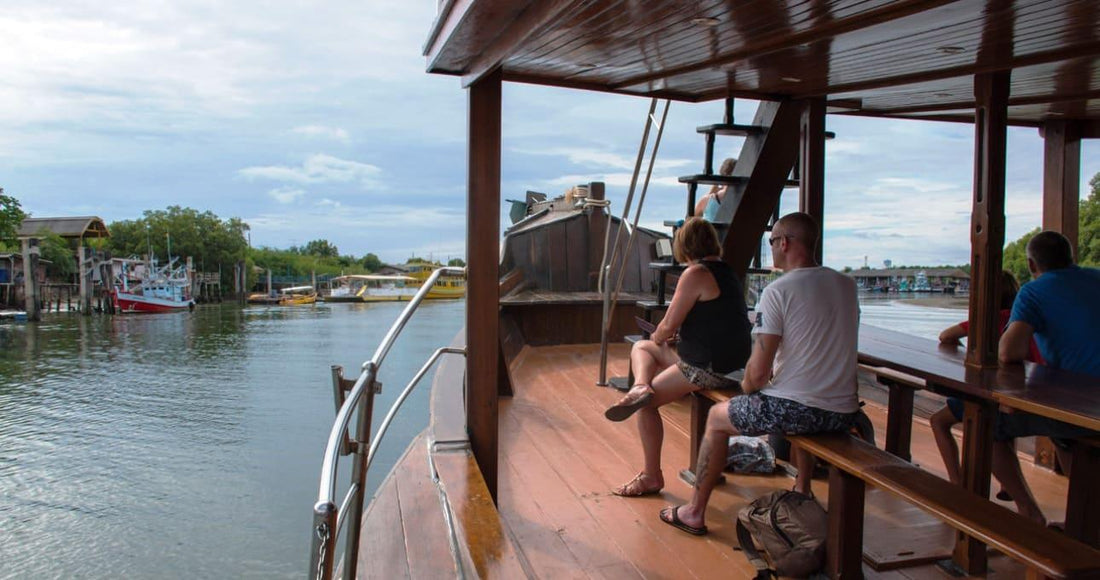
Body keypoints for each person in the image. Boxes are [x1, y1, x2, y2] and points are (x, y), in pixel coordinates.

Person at [657, 212, 859, 536]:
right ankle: (803, 488)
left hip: (800, 410)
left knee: (717, 418)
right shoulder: (846, 285)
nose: (772, 249)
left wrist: (748, 386)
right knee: (800, 391)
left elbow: (758, 373)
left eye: (771, 242)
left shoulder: (778, 291)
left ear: (785, 242)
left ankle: (694, 511)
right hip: (843, 412)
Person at [604, 217, 752, 497]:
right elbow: (716, 321)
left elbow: (668, 324)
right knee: (642, 349)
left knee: (645, 397)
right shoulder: (727, 272)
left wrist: (661, 337)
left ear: (684, 245)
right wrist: (674, 339)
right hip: (734, 363)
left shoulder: (695, 273)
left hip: (709, 367)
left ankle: (651, 475)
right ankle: (640, 386)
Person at [995, 230, 1100, 524]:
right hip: (1084, 405)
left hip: (1083, 406)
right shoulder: (1096, 277)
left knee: (986, 423)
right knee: (1061, 431)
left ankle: (1030, 515)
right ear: (1072, 258)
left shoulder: (1034, 290)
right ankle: (1083, 520)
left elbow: (1009, 352)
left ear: (1031, 265)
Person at [932, 270, 1042, 491]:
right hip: (1024, 392)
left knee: (939, 421)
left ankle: (957, 480)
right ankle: (1004, 486)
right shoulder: (1024, 319)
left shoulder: (986, 320)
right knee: (1004, 420)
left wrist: (966, 354)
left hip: (991, 392)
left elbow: (946, 336)